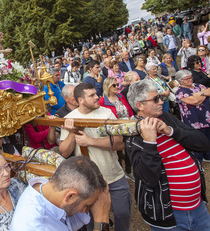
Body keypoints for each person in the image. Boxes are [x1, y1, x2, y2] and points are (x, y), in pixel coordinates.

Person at [126, 80, 210, 230]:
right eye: (156, 99)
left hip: (198, 207)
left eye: (160, 97)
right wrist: (150, 142)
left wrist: (171, 131)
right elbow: (148, 179)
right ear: (140, 105)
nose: (161, 102)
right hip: (170, 215)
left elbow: (203, 143)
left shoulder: (166, 118)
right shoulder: (134, 134)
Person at [59, 83, 131, 231]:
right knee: (92, 221)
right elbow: (64, 152)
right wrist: (73, 132)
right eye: (91, 95)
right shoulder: (69, 118)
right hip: (88, 181)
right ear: (81, 100)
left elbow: (119, 143)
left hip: (114, 175)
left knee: (122, 213)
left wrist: (90, 141)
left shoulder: (107, 114)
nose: (97, 97)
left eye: (96, 94)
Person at [10, 156, 111, 231]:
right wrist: (101, 220)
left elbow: (68, 224)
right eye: (87, 205)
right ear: (70, 196)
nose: (85, 211)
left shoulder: (49, 188)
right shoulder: (32, 227)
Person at [175, 70, 210, 162]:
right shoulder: (180, 91)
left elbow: (208, 91)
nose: (190, 80)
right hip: (193, 120)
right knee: (198, 139)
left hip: (206, 117)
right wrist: (204, 94)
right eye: (187, 79)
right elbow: (194, 101)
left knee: (208, 137)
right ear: (180, 81)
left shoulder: (199, 85)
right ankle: (199, 159)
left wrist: (200, 94)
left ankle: (208, 156)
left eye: (191, 77)